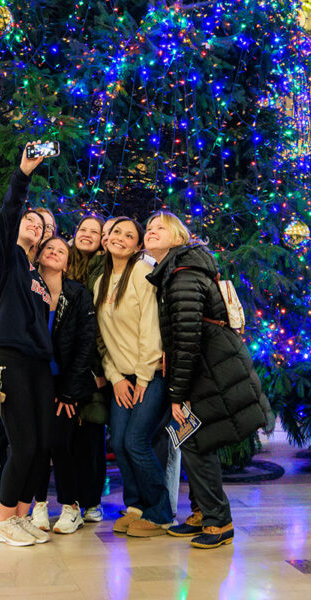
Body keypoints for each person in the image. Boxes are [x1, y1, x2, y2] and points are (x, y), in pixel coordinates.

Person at [144, 211, 267, 549]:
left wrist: (176, 394)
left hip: (208, 369)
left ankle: (219, 522)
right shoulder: (174, 270)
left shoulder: (182, 274)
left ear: (178, 238)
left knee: (197, 441)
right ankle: (202, 512)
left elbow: (186, 340)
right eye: (148, 228)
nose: (150, 232)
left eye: (159, 228)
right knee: (193, 440)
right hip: (206, 366)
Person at [0, 141, 55, 546]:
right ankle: (4, 519)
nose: (35, 225)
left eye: (43, 226)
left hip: (39, 364)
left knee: (42, 444)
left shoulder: (37, 277)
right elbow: (9, 214)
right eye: (31, 220)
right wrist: (23, 174)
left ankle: (23, 514)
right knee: (23, 443)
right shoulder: (5, 259)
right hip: (10, 358)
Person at [94, 217, 173, 537]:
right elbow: (101, 338)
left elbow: (150, 327)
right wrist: (115, 377)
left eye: (129, 236)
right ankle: (136, 505)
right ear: (106, 238)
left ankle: (160, 511)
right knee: (121, 444)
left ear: (138, 246)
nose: (121, 239)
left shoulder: (141, 272)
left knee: (136, 442)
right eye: (116, 233)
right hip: (121, 377)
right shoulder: (99, 281)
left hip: (149, 374)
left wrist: (141, 377)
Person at [31, 236, 97, 533]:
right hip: (32, 381)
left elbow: (86, 343)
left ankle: (71, 507)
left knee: (61, 443)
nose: (54, 252)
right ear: (39, 256)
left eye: (61, 250)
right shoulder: (27, 288)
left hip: (66, 381)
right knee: (36, 445)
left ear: (67, 262)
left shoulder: (78, 293)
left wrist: (70, 391)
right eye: (49, 248)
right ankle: (40, 504)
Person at [63, 215, 108, 523]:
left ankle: (91, 500)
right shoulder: (61, 262)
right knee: (64, 437)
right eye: (83, 229)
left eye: (96, 231)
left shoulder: (106, 268)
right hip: (62, 362)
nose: (88, 234)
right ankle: (70, 500)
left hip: (95, 365)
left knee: (92, 435)